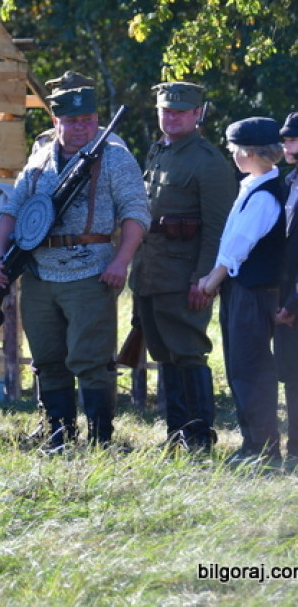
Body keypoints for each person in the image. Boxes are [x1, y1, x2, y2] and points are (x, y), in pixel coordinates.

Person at [0, 85, 149, 447]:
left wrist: (121, 261)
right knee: (48, 359)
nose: (81, 127)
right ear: (55, 120)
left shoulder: (114, 158)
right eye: (72, 120)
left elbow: (136, 213)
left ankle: (99, 440)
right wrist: (0, 256)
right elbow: (12, 209)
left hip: (90, 271)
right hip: (38, 272)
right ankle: (58, 434)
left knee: (92, 360)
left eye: (88, 120)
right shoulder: (40, 159)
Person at [129, 82, 235, 452]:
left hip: (184, 276)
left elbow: (218, 228)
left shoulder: (208, 161)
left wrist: (203, 279)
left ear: (196, 114)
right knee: (164, 355)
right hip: (151, 273)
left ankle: (200, 436)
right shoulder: (158, 152)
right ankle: (176, 434)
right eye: (165, 111)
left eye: (179, 111)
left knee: (188, 352)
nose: (171, 117)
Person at [198, 117, 285, 467]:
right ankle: (253, 444)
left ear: (249, 152)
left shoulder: (266, 194)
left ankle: (262, 451)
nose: (232, 154)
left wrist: (211, 280)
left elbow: (238, 247)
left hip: (253, 291)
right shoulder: (253, 184)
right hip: (243, 287)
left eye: (234, 148)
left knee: (249, 369)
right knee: (239, 366)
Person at [274, 112, 298, 471]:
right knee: (292, 375)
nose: (287, 146)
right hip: (286, 295)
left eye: (292, 140)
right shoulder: (286, 182)